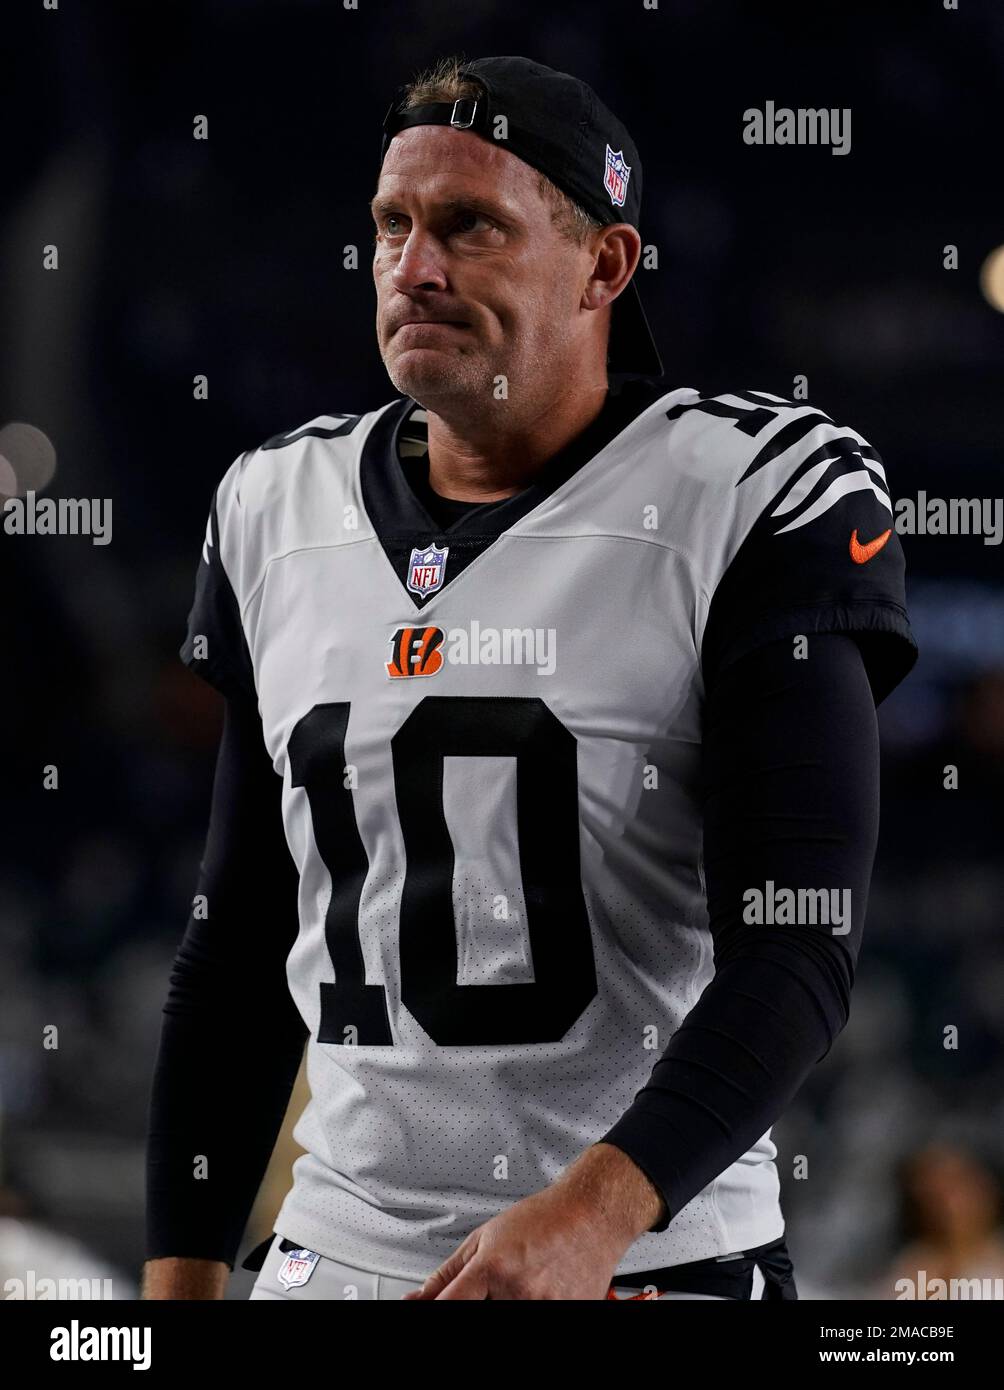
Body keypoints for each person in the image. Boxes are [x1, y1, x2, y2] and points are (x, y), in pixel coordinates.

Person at [144, 54, 917, 1301]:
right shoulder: (270, 506)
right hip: (332, 1255)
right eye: (392, 225)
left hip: (651, 1262)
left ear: (603, 266)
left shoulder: (747, 491)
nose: (414, 267)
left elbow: (795, 949)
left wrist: (592, 1213)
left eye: (470, 227)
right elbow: (236, 948)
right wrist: (176, 1277)